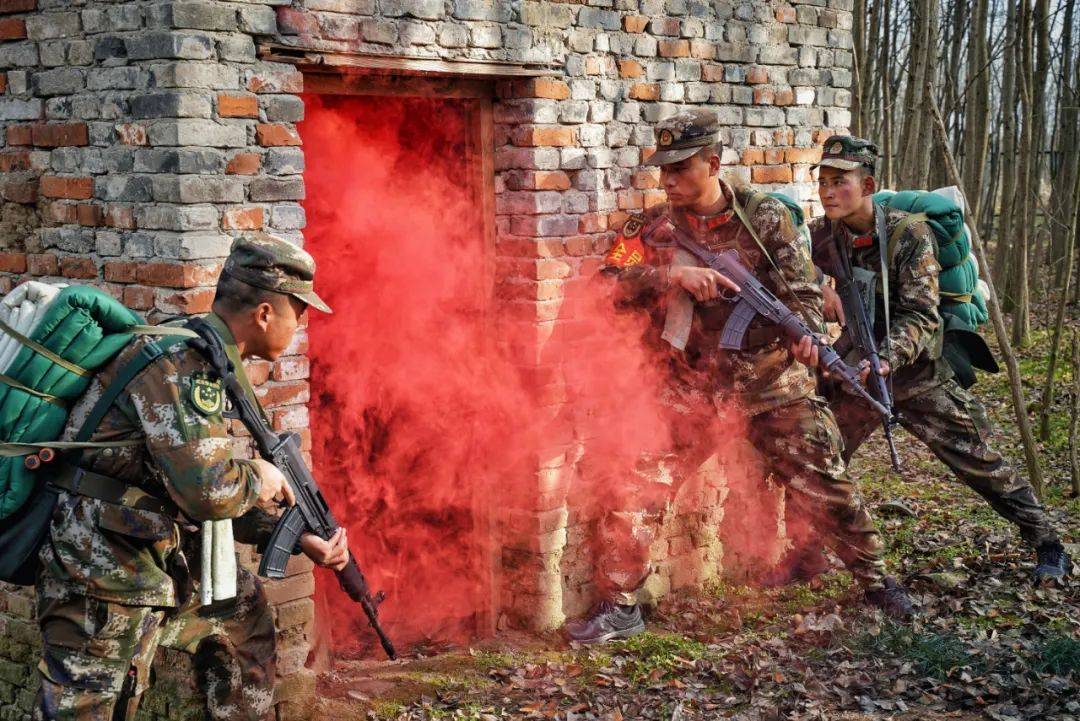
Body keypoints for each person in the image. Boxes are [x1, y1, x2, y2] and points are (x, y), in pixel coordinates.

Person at [564, 111, 914, 645]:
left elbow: (802, 295)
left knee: (827, 485)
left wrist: (806, 338)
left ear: (713, 162)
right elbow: (603, 284)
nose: (670, 181)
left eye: (681, 169)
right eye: (664, 171)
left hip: (771, 384)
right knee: (635, 486)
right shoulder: (651, 227)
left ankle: (877, 582)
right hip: (690, 389)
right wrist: (669, 276)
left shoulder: (767, 218)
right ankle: (620, 606)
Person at [35, 234, 350, 721]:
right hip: (99, 569)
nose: (301, 323)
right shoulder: (181, 366)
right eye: (299, 312)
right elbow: (208, 492)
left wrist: (297, 536)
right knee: (85, 708)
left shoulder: (206, 358)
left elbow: (188, 492)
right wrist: (259, 476)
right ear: (265, 314)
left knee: (245, 615)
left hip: (149, 553)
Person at [793, 135, 1071, 585]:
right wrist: (816, 291)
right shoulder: (823, 238)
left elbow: (921, 316)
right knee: (820, 457)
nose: (827, 191)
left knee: (978, 459)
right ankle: (807, 551)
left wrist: (886, 359)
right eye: (822, 181)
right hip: (858, 373)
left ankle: (1048, 543)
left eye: (839, 181)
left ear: (868, 184)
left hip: (917, 372)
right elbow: (794, 279)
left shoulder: (908, 234)